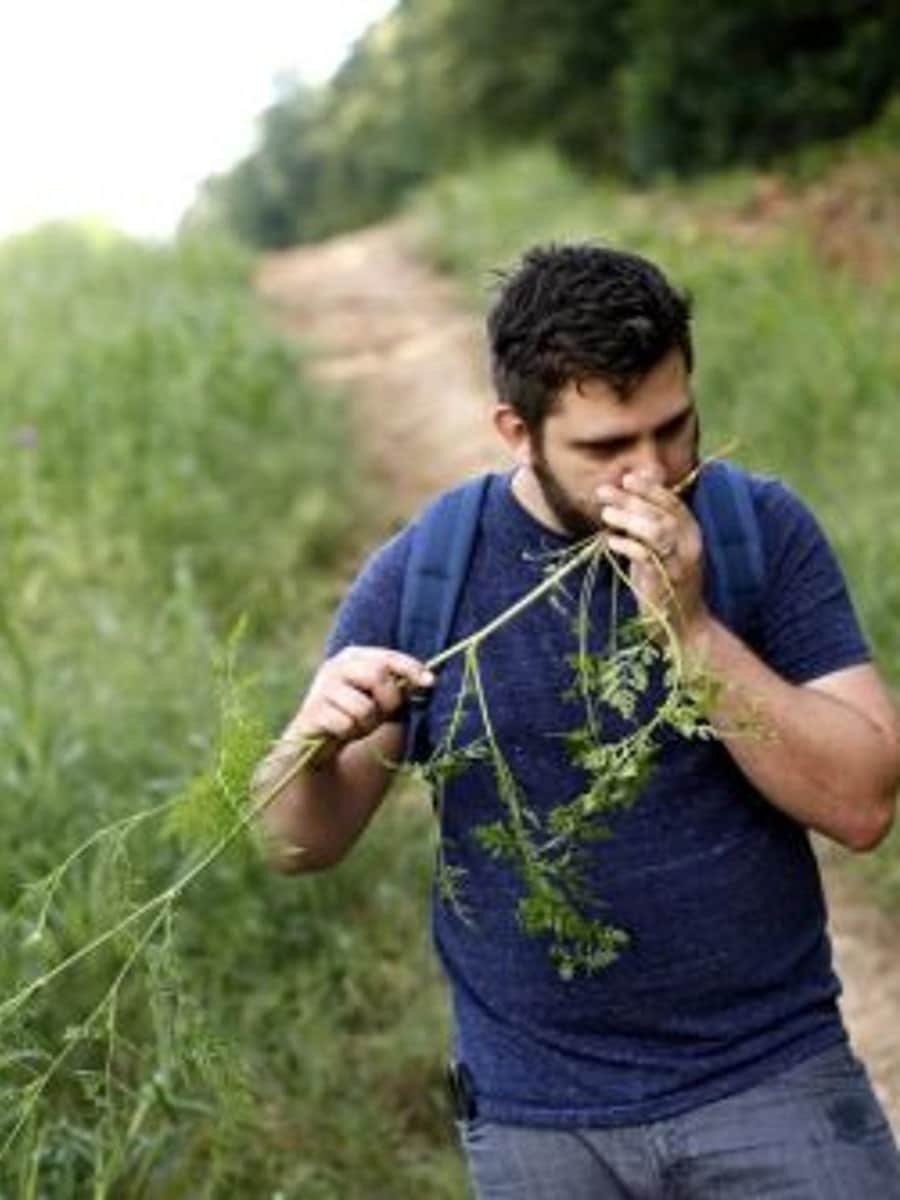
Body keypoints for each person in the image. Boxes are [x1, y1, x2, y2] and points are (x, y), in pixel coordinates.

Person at [254, 243, 900, 1197]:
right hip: (540, 1124)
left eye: (674, 429)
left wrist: (691, 629)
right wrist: (310, 747)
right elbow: (294, 846)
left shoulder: (760, 530)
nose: (654, 474)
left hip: (773, 1080)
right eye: (606, 449)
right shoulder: (425, 572)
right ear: (517, 430)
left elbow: (862, 803)